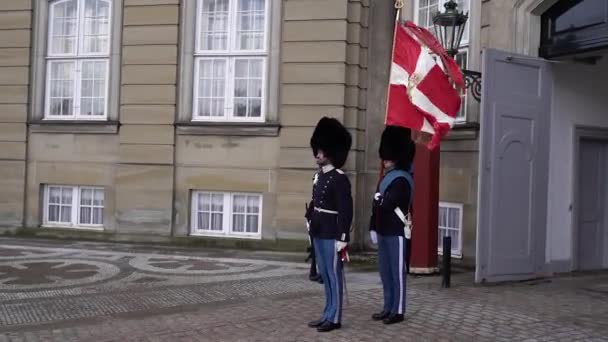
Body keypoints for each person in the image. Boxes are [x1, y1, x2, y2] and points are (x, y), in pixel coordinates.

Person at [304, 117, 353, 333]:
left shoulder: (339, 178)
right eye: (317, 149)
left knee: (333, 276)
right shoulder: (319, 176)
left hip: (332, 232)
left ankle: (335, 318)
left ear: (330, 152)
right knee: (324, 275)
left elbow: (345, 210)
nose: (318, 154)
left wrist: (343, 237)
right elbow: (317, 203)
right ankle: (326, 312)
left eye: (322, 150)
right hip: (319, 230)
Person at [369, 125, 416, 325]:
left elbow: (388, 203)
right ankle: (388, 306)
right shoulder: (386, 178)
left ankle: (398, 310)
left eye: (388, 156)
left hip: (396, 231)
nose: (385, 159)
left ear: (397, 156)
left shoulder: (403, 180)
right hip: (382, 230)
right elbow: (376, 205)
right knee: (385, 272)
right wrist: (372, 226)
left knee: (397, 274)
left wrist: (379, 199)